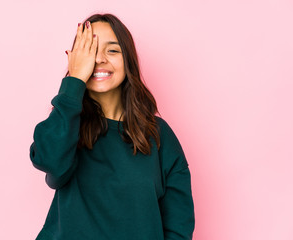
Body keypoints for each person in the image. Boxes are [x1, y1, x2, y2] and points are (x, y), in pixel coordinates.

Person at [29, 13, 195, 240]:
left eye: (113, 50)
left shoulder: (159, 135)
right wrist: (75, 80)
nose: (99, 59)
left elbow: (178, 224)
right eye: (90, 51)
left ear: (128, 60)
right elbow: (49, 161)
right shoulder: (66, 124)